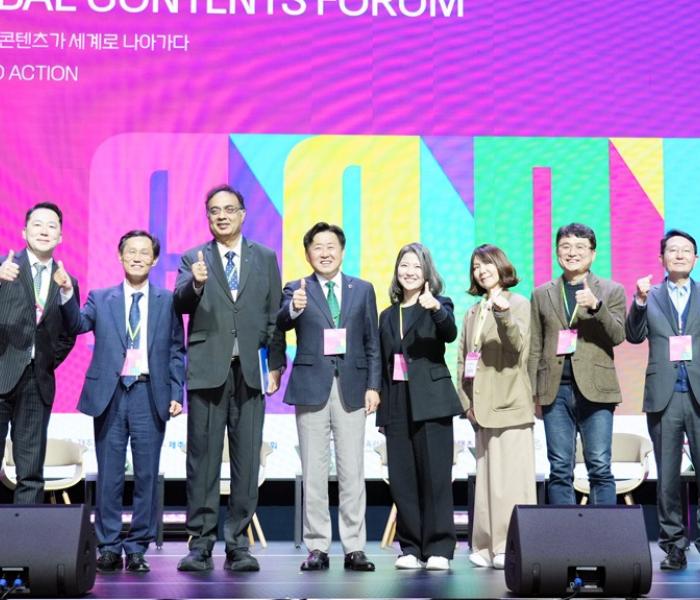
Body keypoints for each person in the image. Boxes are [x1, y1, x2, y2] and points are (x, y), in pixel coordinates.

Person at [174, 185, 285, 572]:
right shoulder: (194, 258)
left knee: (247, 460)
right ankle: (201, 543)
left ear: (242, 214)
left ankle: (238, 543)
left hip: (251, 371)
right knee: (202, 459)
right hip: (208, 370)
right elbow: (180, 303)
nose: (221, 216)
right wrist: (196, 283)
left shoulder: (265, 257)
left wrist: (275, 364)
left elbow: (274, 314)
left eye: (229, 209)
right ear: (207, 217)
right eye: (214, 211)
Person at [61, 230, 185, 573]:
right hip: (110, 394)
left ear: (155, 260)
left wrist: (177, 393)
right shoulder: (101, 298)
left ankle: (138, 547)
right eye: (131, 251)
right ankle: (109, 546)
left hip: (150, 393)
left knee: (146, 476)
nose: (137, 257)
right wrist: (67, 293)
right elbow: (77, 324)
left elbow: (177, 350)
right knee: (110, 476)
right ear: (120, 255)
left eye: (144, 252)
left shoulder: (167, 301)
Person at [277, 222, 380, 572]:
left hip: (352, 386)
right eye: (317, 247)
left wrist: (374, 385)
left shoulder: (362, 289)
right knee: (314, 471)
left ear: (342, 250)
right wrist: (293, 308)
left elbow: (372, 342)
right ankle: (317, 546)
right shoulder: (296, 288)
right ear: (308, 254)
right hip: (311, 387)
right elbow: (280, 323)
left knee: (353, 470)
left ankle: (354, 547)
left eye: (331, 246)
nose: (325, 253)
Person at [376, 243, 462, 571]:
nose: (409, 272)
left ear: (427, 272)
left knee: (436, 477)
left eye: (416, 266)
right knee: (403, 479)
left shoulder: (439, 304)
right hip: (397, 401)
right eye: (404, 265)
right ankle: (410, 547)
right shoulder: (388, 315)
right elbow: (382, 361)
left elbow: (449, 332)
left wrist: (435, 308)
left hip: (432, 401)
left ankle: (439, 547)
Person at [528, 223, 626, 505]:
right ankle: (564, 532)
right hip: (554, 391)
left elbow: (618, 335)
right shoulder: (542, 293)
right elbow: (535, 346)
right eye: (565, 247)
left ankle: (604, 532)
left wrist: (597, 307)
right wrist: (533, 393)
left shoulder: (611, 290)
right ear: (557, 252)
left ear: (593, 254)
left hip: (597, 389)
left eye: (580, 247)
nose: (572, 253)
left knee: (599, 466)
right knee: (559, 468)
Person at [456, 244, 536, 570]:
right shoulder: (473, 311)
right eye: (476, 266)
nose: (481, 271)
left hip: (509, 404)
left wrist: (502, 314)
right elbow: (463, 359)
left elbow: (517, 347)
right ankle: (485, 543)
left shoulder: (518, 304)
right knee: (487, 483)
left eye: (487, 264)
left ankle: (510, 545)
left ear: (501, 266)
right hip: (481, 407)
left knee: (511, 483)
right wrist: (466, 403)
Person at [626, 229, 700, 571]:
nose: (680, 255)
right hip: (664, 396)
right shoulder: (650, 295)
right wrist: (639, 302)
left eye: (686, 250)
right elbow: (633, 335)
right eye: (673, 250)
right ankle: (673, 546)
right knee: (667, 477)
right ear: (662, 258)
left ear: (696, 258)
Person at [0, 202, 78, 504]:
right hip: (2, 372)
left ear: (60, 236)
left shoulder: (66, 281)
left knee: (30, 472)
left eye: (52, 226)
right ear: (24, 232)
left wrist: (43, 361)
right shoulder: (5, 268)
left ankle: (24, 535)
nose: (44, 231)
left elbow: (70, 332)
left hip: (37, 383)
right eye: (37, 224)